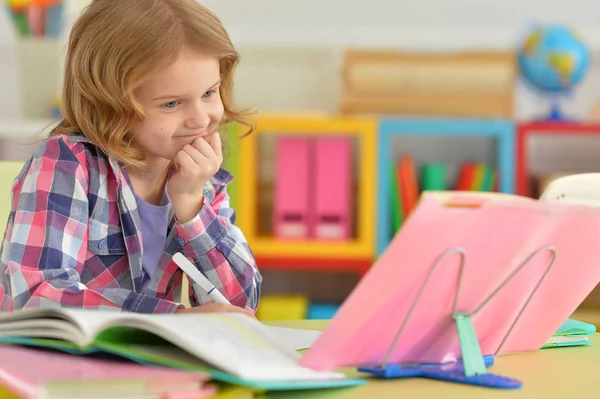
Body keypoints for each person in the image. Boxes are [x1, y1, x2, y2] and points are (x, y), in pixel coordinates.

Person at [0, 0, 262, 314]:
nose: (201, 119)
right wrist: (172, 318)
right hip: (62, 359)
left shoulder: (200, 177)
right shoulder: (67, 165)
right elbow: (33, 296)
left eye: (209, 93)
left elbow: (240, 304)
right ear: (108, 102)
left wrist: (192, 208)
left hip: (146, 360)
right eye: (172, 104)